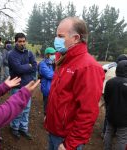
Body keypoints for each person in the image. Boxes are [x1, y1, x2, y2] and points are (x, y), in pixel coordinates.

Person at [44, 17, 105, 150]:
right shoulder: (64, 60)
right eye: (56, 35)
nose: (56, 40)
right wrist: (50, 119)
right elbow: (60, 96)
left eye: (60, 36)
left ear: (76, 38)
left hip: (67, 139)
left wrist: (70, 144)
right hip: (54, 132)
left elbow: (88, 111)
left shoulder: (88, 67)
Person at [8, 33, 37, 140]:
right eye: (20, 41)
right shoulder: (12, 54)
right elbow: (17, 69)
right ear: (15, 42)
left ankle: (23, 128)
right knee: (17, 108)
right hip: (17, 85)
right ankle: (14, 128)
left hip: (28, 85)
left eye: (24, 41)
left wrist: (28, 68)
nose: (22, 43)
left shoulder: (29, 53)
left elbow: (34, 66)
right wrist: (28, 66)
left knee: (26, 109)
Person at [101, 54, 127, 138]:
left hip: (105, 88)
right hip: (115, 89)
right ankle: (112, 130)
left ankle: (105, 131)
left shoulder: (108, 65)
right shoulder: (122, 69)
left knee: (108, 110)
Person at [38, 47, 56, 116]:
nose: (54, 55)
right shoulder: (43, 64)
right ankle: (46, 119)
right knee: (47, 105)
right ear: (47, 55)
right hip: (47, 88)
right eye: (52, 54)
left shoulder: (53, 63)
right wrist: (59, 74)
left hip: (53, 88)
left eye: (54, 53)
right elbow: (49, 75)